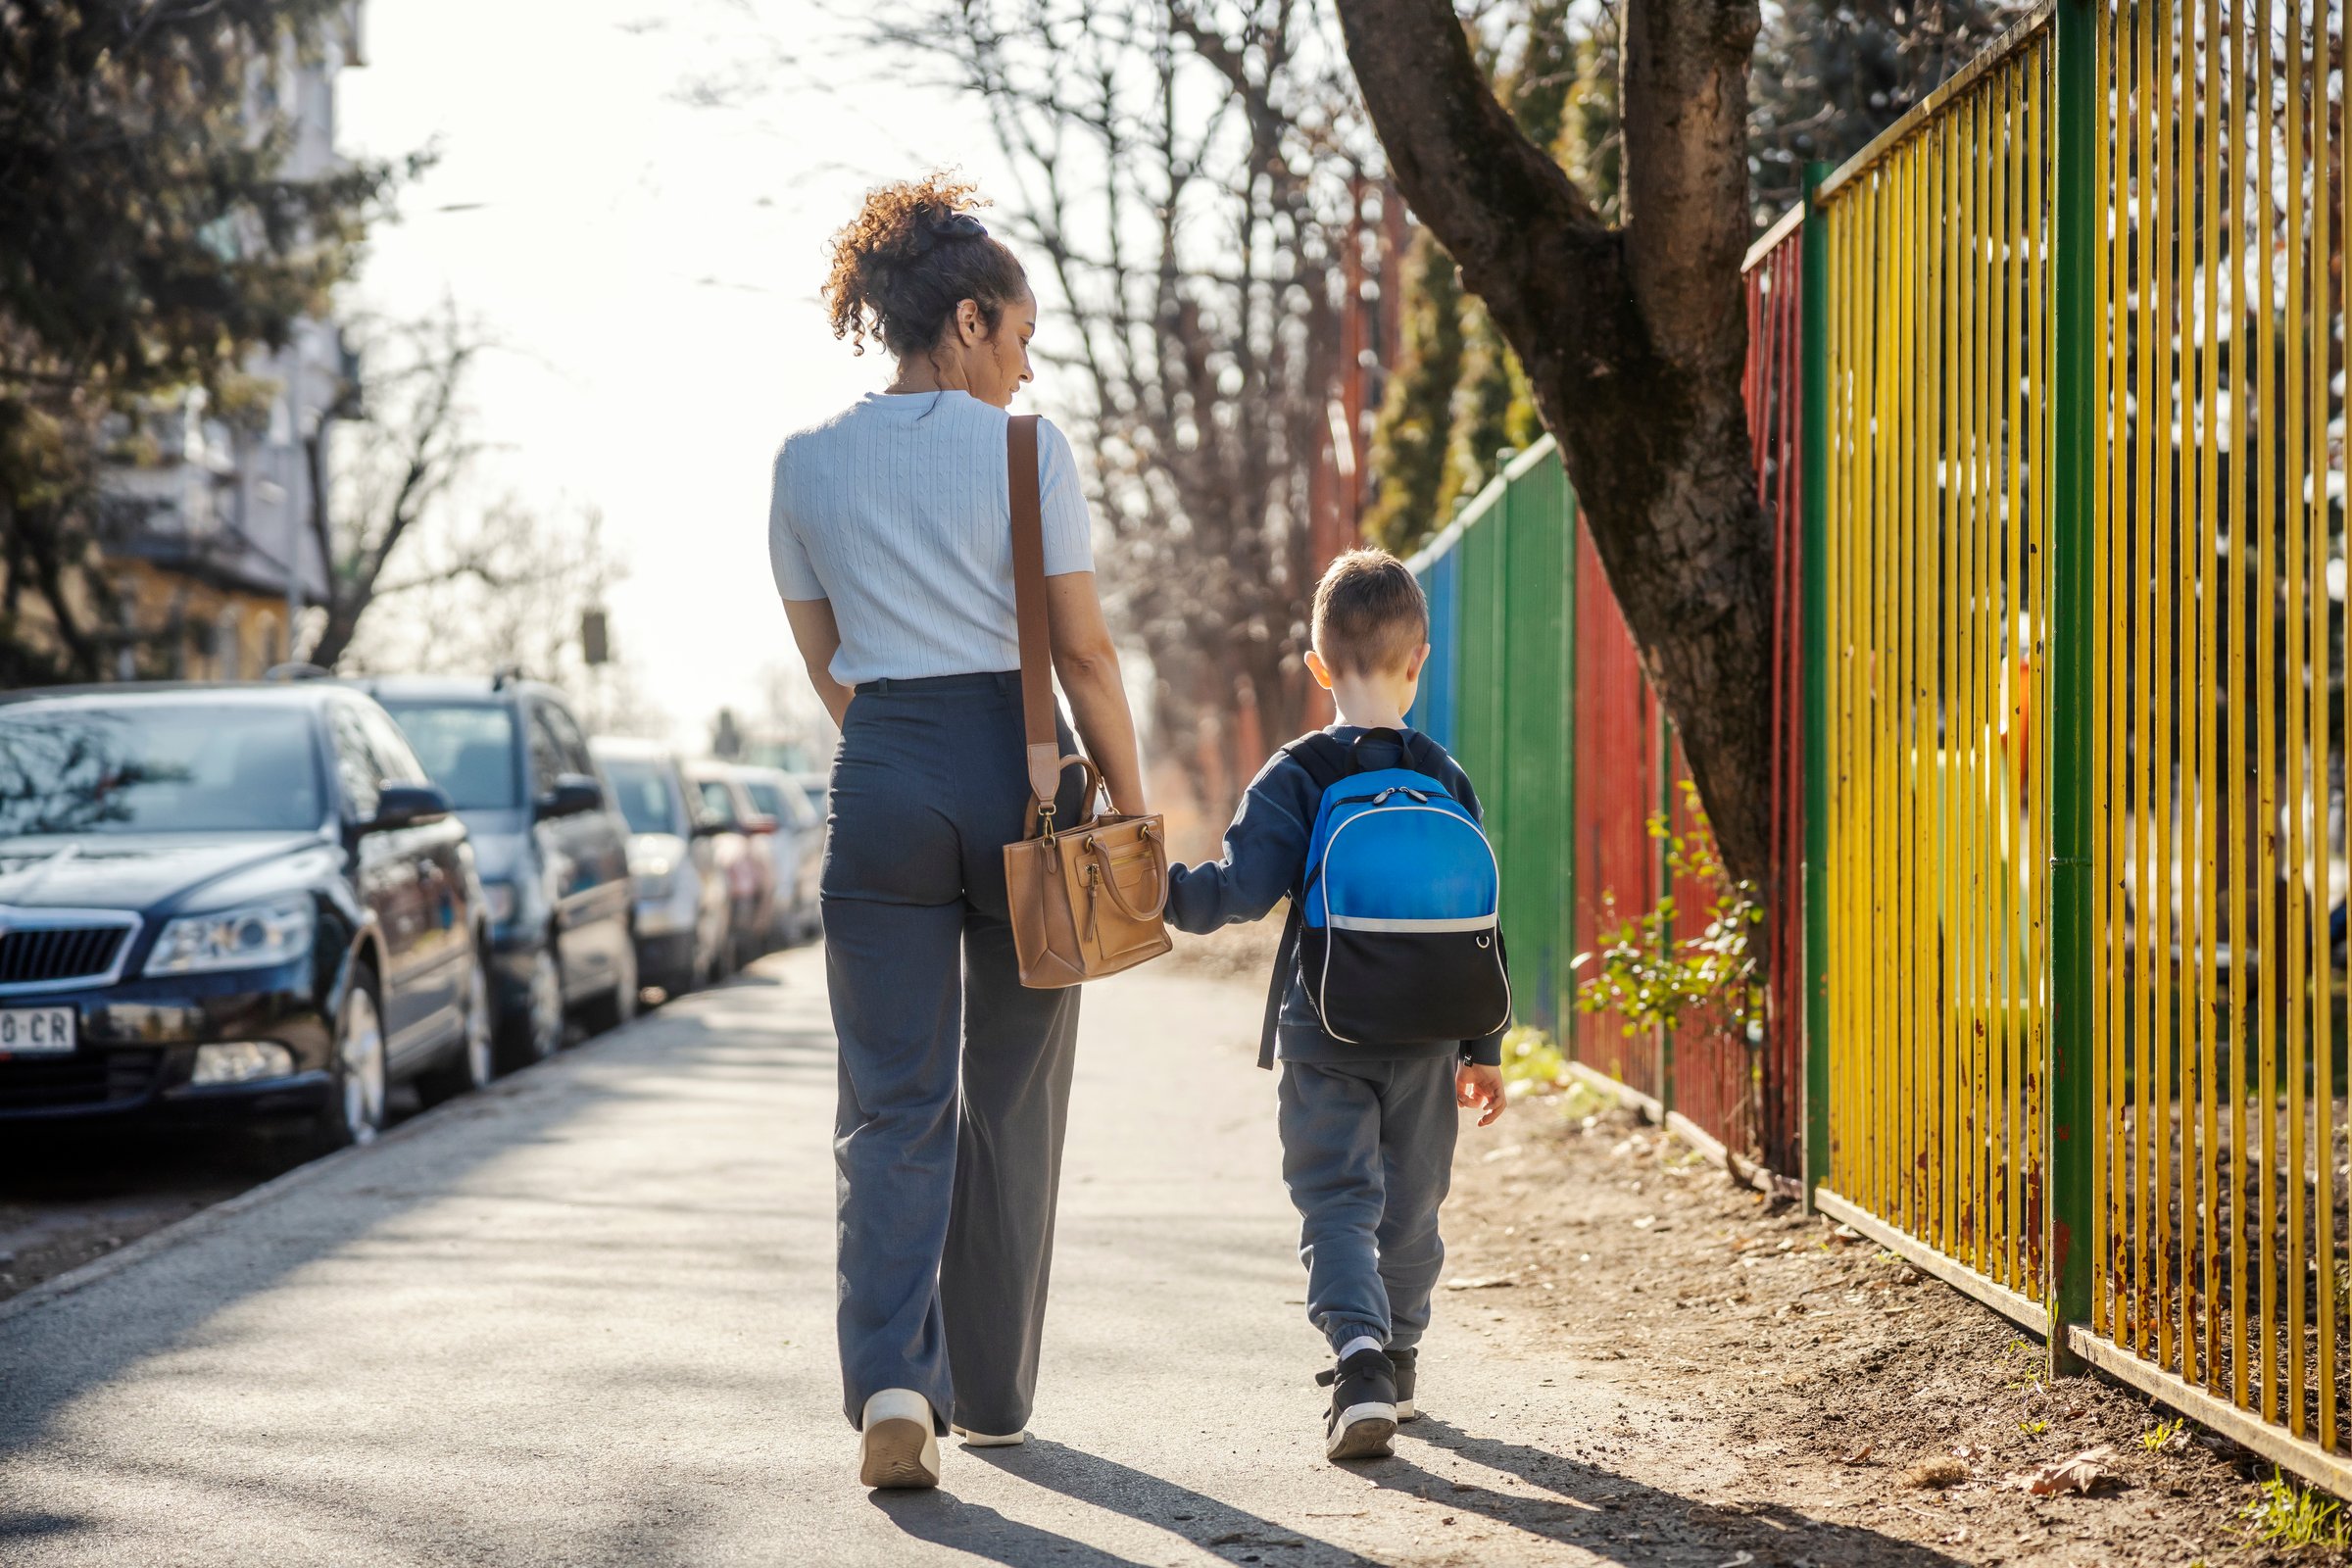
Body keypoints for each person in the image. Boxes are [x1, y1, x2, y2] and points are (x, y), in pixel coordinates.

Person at [770, 174, 1148, 1491]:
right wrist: (1132, 806)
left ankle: (890, 1380)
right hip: (1021, 779)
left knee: (892, 1106)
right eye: (1023, 339)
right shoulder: (1025, 451)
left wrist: (895, 751)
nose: (1024, 367)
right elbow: (1088, 657)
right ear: (972, 318)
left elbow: (829, 668)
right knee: (1014, 1099)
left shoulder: (806, 463)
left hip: (879, 785)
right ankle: (989, 1391)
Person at [1162, 548, 1509, 1462]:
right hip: (1433, 1038)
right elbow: (1474, 918)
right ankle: (1397, 1355)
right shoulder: (1444, 775)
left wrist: (1154, 892)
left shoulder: (1297, 773)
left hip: (1325, 1030)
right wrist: (1486, 1049)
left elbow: (1235, 893)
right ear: (1419, 659)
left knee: (1336, 1200)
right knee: (1413, 1206)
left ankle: (1357, 1362)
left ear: (1318, 666)